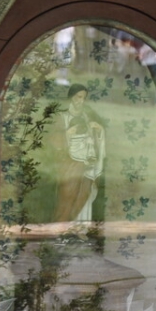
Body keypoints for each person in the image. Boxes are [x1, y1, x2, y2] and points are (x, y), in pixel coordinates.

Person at [50, 84, 105, 222]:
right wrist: (67, 134)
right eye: (79, 97)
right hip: (69, 164)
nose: (81, 101)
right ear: (71, 97)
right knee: (66, 196)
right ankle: (61, 228)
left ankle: (77, 227)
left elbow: (94, 140)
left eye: (84, 98)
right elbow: (54, 143)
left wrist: (99, 131)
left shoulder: (87, 117)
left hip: (87, 163)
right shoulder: (62, 117)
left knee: (84, 194)